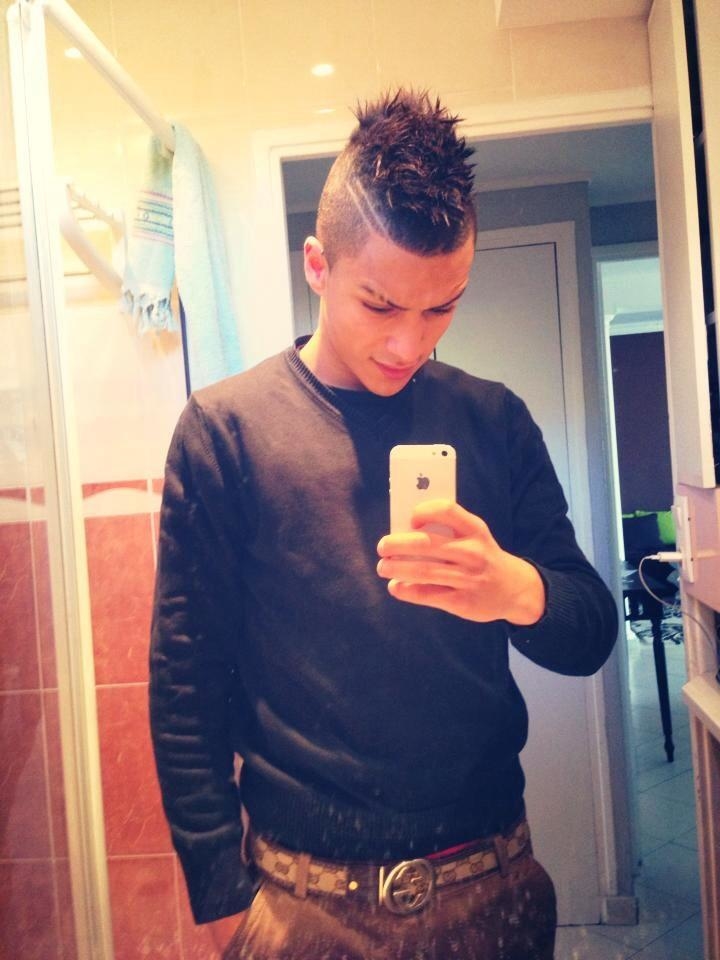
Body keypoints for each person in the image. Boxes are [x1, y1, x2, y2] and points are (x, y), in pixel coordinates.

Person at [150, 89, 618, 960]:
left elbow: (590, 632)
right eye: (380, 305)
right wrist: (220, 895)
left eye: (442, 307)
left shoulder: (494, 420)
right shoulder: (225, 432)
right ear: (317, 265)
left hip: (493, 886)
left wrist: (516, 590)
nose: (411, 344)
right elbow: (186, 684)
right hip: (303, 905)